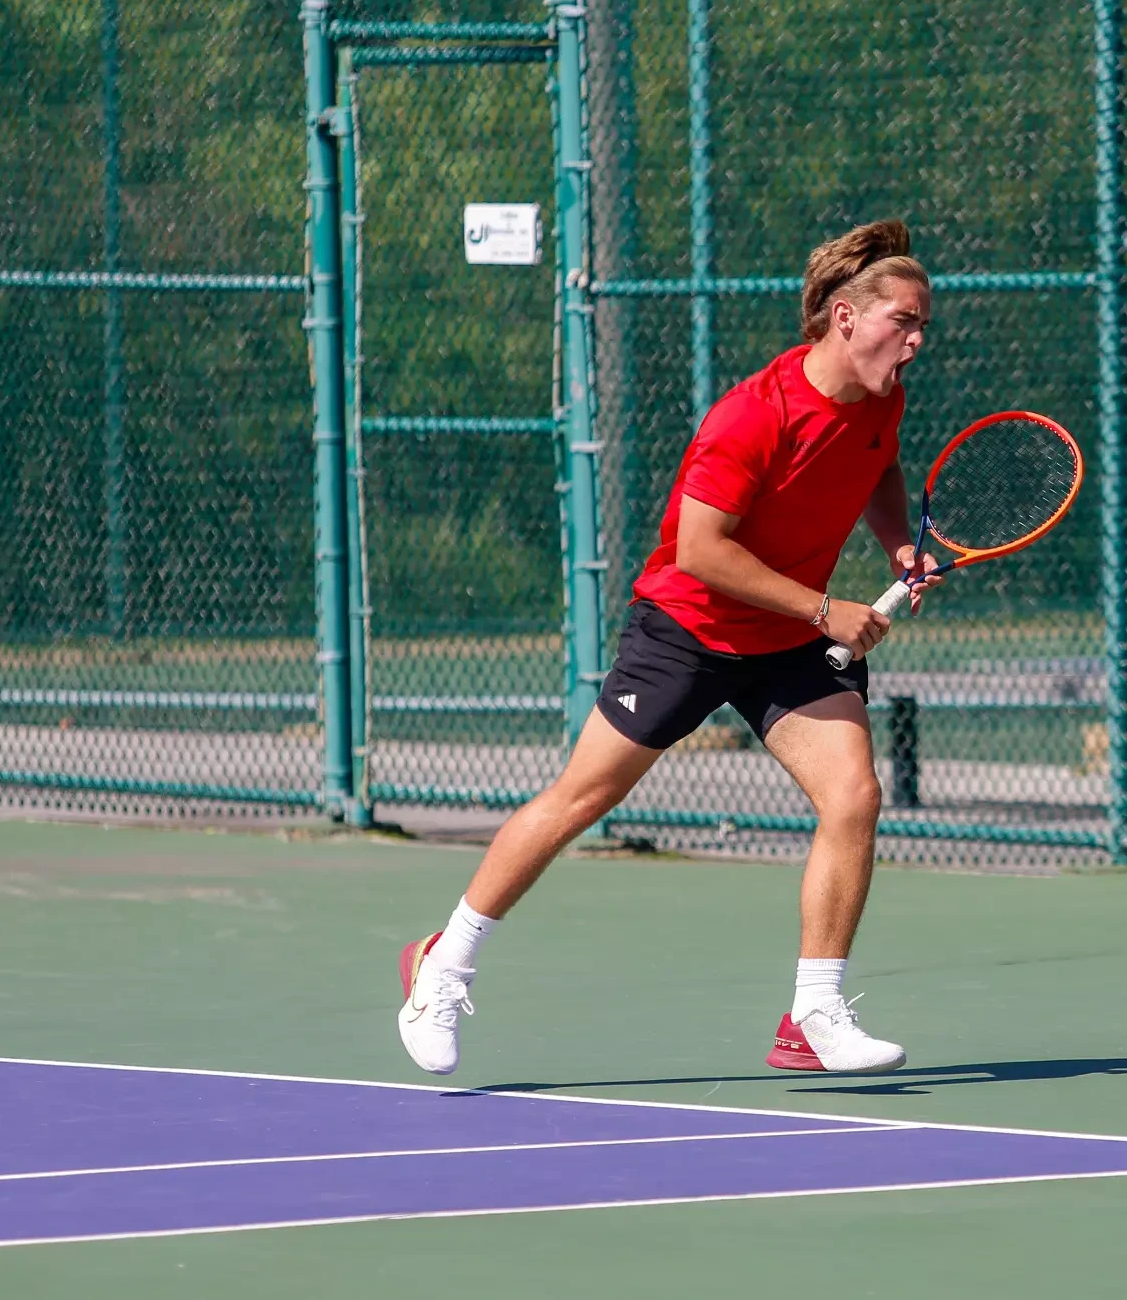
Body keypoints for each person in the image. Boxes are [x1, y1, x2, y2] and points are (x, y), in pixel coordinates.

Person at [397, 219, 938, 1077]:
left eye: (922, 326)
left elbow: (878, 465)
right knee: (582, 797)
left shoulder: (882, 399)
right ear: (845, 317)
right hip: (690, 628)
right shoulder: (753, 415)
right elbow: (700, 550)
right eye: (902, 321)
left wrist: (898, 543)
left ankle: (814, 1015)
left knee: (853, 794)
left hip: (789, 639)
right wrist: (824, 608)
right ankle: (442, 965)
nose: (915, 341)